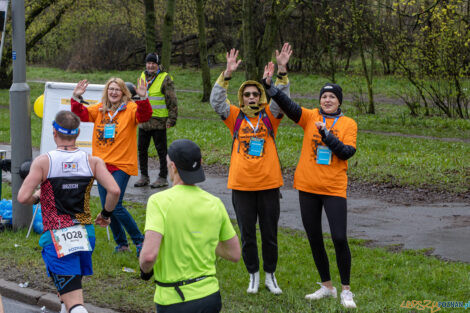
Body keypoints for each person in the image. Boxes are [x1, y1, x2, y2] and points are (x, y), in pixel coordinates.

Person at [263, 61, 358, 309]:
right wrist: (272, 86)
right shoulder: (310, 117)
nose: (327, 100)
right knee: (314, 237)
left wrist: (327, 135)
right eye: (324, 97)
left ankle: (346, 290)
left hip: (334, 189)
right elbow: (289, 106)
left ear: (339, 102)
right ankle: (327, 286)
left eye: (332, 97)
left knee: (339, 238)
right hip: (307, 187)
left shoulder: (348, 124)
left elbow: (346, 152)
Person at [209, 43, 292, 294]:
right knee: (247, 235)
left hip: (268, 185)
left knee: (269, 234)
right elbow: (216, 101)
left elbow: (284, 100)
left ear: (262, 97)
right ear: (242, 98)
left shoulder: (270, 116)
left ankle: (270, 275)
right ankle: (253, 275)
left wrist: (281, 71)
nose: (252, 98)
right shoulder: (235, 117)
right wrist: (227, 74)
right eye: (248, 95)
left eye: (256, 94)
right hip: (241, 185)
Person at [18, 110, 120, 313]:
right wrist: (106, 215)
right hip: (84, 233)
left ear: (54, 132)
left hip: (57, 235)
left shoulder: (44, 162)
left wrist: (37, 196)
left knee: (74, 301)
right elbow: (114, 190)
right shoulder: (93, 161)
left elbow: (22, 197)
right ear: (78, 133)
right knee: (67, 292)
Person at [139, 139, 240, 313]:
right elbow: (234, 253)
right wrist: (200, 239)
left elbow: (148, 256)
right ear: (199, 164)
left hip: (174, 299)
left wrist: (144, 270)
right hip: (210, 296)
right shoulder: (215, 203)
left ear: (173, 167)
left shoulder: (159, 201)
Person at [71, 77, 152, 256]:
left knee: (115, 205)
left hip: (122, 164)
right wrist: (76, 97)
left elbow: (145, 116)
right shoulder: (100, 109)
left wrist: (144, 98)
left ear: (124, 92)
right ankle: (122, 244)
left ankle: (140, 240)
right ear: (107, 92)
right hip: (101, 165)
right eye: (111, 89)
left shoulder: (131, 108)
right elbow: (81, 115)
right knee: (107, 205)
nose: (114, 92)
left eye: (117, 89)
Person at [134, 52, 178, 189]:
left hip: (159, 121)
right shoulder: (142, 76)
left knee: (161, 151)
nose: (150, 65)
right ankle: (144, 176)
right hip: (143, 120)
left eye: (153, 63)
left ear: (158, 65)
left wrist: (172, 119)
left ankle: (163, 177)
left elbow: (172, 100)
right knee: (141, 149)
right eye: (148, 63)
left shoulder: (165, 78)